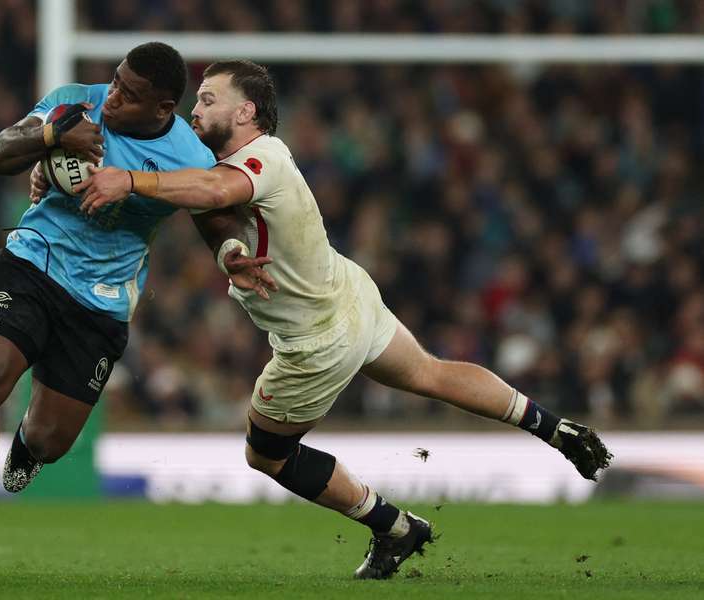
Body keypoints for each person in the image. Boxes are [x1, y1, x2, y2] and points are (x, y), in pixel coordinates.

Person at [74, 60, 613, 580]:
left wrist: (130, 181)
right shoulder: (234, 163)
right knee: (430, 372)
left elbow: (215, 193)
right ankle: (555, 427)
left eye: (209, 100)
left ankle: (394, 527)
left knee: (266, 454)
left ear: (247, 112)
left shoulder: (265, 157)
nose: (196, 110)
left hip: (317, 338)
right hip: (347, 292)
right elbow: (215, 206)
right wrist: (229, 254)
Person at [0, 43, 271, 578]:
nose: (112, 97)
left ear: (162, 108)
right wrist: (50, 136)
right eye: (115, 81)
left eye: (129, 95)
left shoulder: (189, 153)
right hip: (32, 261)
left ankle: (27, 449)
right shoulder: (74, 105)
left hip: (102, 300)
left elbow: (212, 215)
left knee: (51, 439)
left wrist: (230, 254)